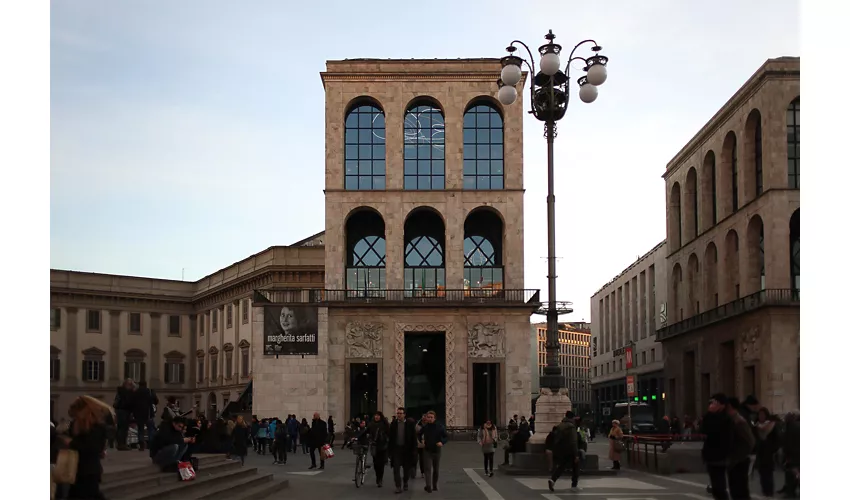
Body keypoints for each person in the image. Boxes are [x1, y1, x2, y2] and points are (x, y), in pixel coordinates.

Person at [65, 395, 114, 499]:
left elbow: (92, 447)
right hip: (77, 470)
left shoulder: (97, 427)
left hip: (88, 472)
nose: (75, 417)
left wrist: (71, 443)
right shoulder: (76, 424)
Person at [701, 394, 735, 499]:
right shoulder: (711, 416)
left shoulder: (725, 418)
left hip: (720, 455)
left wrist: (710, 414)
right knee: (715, 486)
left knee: (719, 486)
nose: (712, 405)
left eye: (715, 403)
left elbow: (714, 431)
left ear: (722, 405)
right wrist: (709, 414)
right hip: (712, 455)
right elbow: (704, 429)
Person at [726, 397, 756, 499]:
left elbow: (750, 441)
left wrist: (740, 456)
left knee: (740, 490)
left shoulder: (739, 421)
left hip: (739, 461)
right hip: (735, 460)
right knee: (735, 489)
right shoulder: (733, 420)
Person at [548, 411, 580, 492]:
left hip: (561, 450)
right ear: (572, 417)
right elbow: (573, 441)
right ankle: (574, 485)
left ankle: (553, 480)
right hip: (570, 450)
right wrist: (576, 454)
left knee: (562, 466)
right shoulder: (571, 427)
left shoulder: (560, 425)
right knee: (576, 467)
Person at [389, 407, 418, 493]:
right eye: (398, 413)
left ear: (404, 414)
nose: (399, 415)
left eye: (401, 413)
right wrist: (390, 452)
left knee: (406, 470)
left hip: (407, 450)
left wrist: (414, 450)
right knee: (396, 469)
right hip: (396, 450)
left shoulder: (409, 424)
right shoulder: (393, 424)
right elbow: (390, 438)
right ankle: (398, 486)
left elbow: (413, 438)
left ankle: (405, 482)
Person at [418, 410, 447, 493]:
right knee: (427, 468)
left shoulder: (440, 426)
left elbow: (446, 436)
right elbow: (419, 434)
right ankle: (428, 486)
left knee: (436, 469)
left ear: (434, 418)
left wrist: (442, 442)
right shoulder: (425, 427)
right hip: (427, 450)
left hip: (437, 450)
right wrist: (421, 440)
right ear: (426, 418)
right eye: (428, 417)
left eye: (431, 417)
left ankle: (434, 485)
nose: (430, 419)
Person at [754, 407, 780, 497]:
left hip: (769, 453)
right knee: (762, 474)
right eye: (759, 414)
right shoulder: (756, 425)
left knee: (768, 474)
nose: (761, 416)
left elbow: (777, 439)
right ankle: (765, 491)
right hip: (760, 452)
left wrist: (773, 449)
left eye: (763, 414)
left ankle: (770, 492)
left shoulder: (771, 425)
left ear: (766, 415)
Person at [132, 380, 157, 452]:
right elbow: (155, 400)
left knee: (140, 430)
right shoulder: (149, 391)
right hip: (148, 413)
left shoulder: (136, 392)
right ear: (146, 385)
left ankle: (141, 445)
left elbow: (133, 403)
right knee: (151, 429)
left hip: (138, 414)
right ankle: (150, 444)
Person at [368, 411, 390, 487]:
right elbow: (365, 431)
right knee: (375, 463)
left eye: (378, 415)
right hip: (374, 446)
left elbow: (389, 434)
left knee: (381, 464)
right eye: (375, 415)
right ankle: (378, 476)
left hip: (383, 446)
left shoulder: (384, 424)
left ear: (381, 416)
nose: (376, 417)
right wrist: (357, 437)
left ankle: (380, 478)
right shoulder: (371, 424)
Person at [113, 378, 136, 451]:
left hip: (120, 410)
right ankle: (122, 444)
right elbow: (129, 402)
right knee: (123, 428)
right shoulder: (126, 392)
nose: (132, 387)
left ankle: (120, 444)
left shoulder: (120, 391)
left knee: (120, 428)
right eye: (131, 385)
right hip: (124, 411)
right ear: (127, 385)